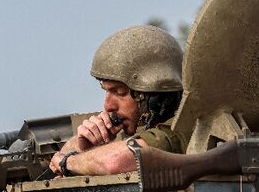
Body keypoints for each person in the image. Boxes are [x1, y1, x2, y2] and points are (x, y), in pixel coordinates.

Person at [49, 25, 187, 177]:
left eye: (119, 92)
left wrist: (69, 162)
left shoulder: (185, 128)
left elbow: (115, 162)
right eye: (106, 90)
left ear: (153, 95)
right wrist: (84, 145)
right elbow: (56, 164)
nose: (107, 105)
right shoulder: (137, 129)